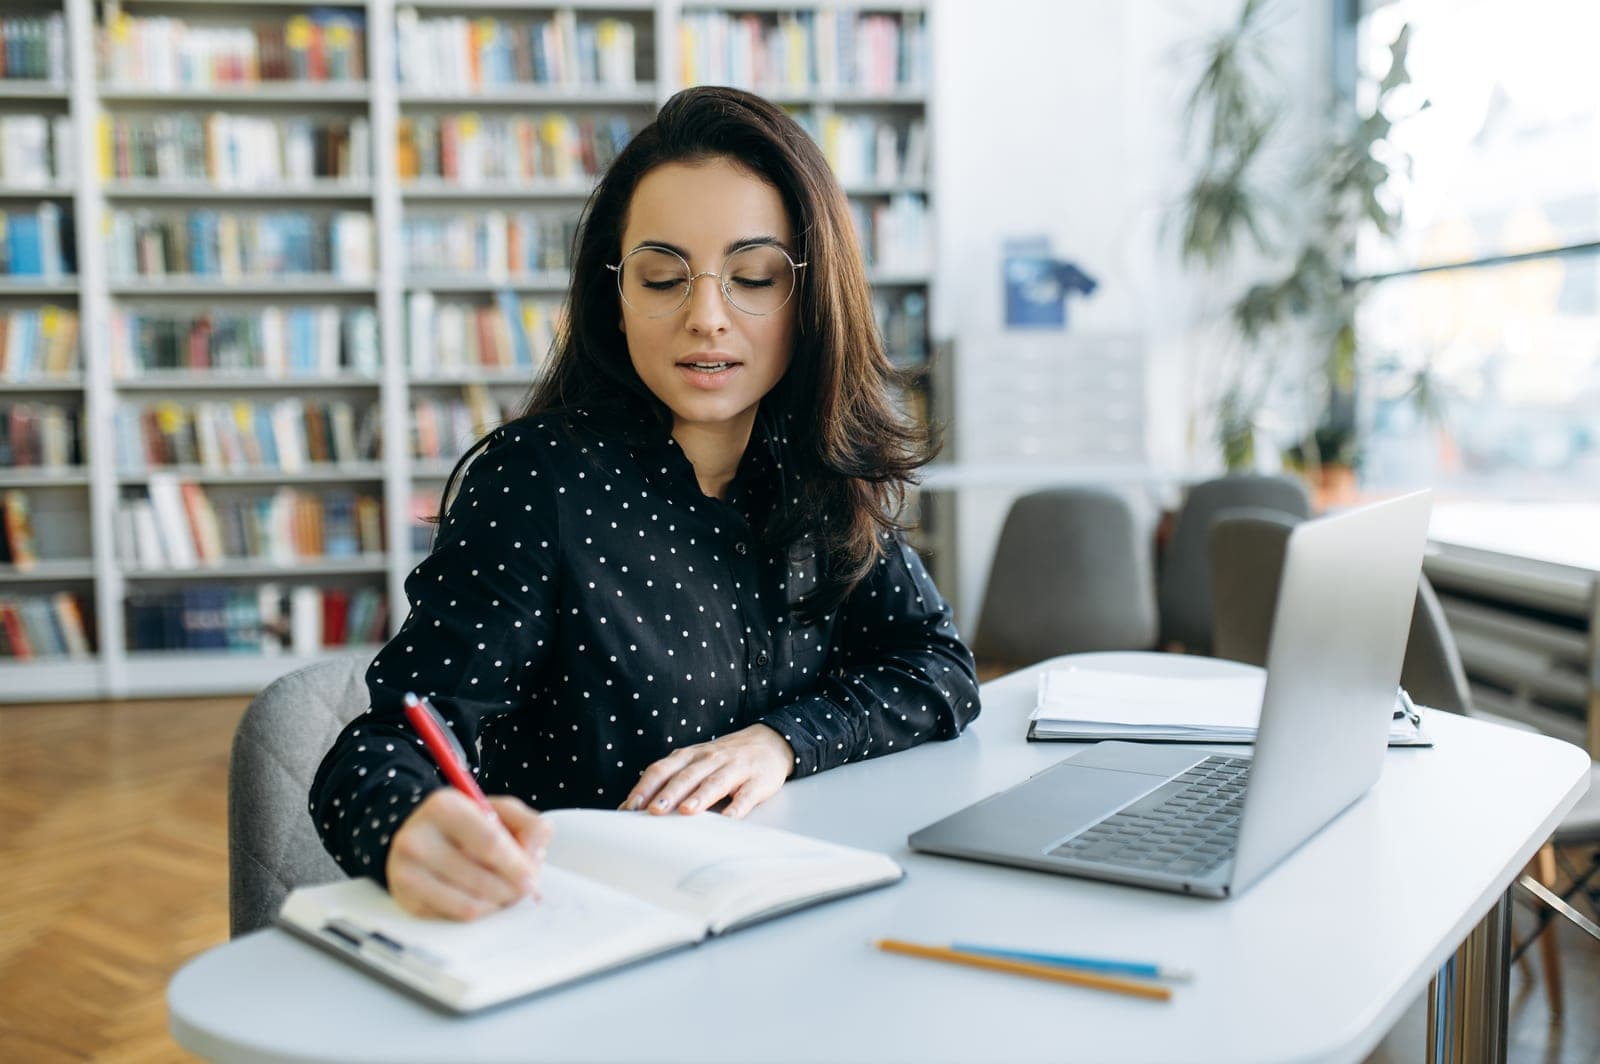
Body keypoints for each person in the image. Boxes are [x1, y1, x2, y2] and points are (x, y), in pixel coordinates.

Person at [310, 85, 980, 921]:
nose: (706, 317)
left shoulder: (813, 471)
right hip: (588, 935)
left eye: (752, 276)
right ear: (615, 295)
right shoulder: (539, 482)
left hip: (794, 907)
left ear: (809, 297)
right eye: (663, 277)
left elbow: (938, 667)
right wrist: (410, 827)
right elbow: (384, 747)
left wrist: (780, 744)